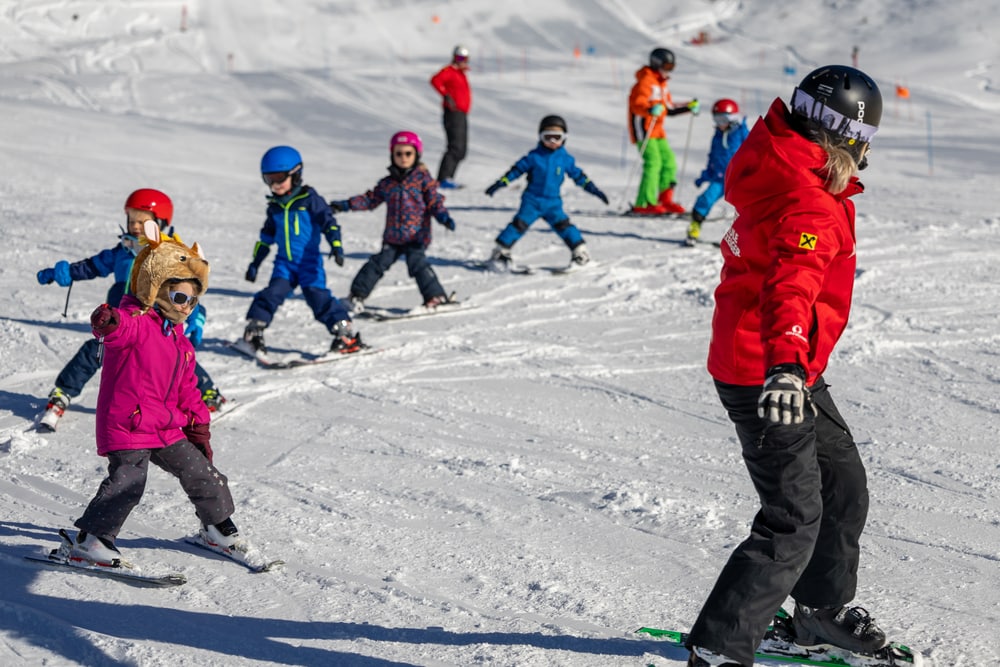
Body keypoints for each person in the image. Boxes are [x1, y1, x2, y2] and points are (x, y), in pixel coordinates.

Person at [685, 65, 887, 667]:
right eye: (865, 137)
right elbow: (790, 289)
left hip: (787, 365)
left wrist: (794, 365)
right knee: (793, 518)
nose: (868, 151)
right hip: (770, 371)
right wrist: (786, 367)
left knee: (842, 483)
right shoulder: (809, 200)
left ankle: (818, 615)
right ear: (844, 136)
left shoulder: (785, 165)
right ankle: (719, 650)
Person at [66, 223, 258, 567]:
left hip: (165, 427)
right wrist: (108, 320)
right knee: (128, 481)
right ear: (157, 290)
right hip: (129, 424)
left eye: (193, 301)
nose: (186, 306)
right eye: (180, 297)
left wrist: (199, 423)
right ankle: (92, 540)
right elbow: (118, 328)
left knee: (205, 474)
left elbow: (188, 389)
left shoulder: (181, 343)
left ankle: (216, 530)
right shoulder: (138, 322)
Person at [35, 189, 227, 433]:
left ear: (160, 223)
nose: (136, 226)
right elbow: (91, 266)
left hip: (155, 325)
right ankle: (62, 394)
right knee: (96, 350)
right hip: (122, 325)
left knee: (174, 357)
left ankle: (208, 392)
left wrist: (196, 318)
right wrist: (62, 273)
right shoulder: (121, 252)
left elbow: (188, 290)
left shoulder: (170, 256)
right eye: (132, 220)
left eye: (143, 221)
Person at [240, 145, 361, 357]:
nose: (275, 185)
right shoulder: (275, 207)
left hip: (309, 262)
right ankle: (254, 332)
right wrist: (255, 263)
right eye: (269, 179)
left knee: (317, 296)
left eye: (279, 178)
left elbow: (329, 223)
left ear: (296, 174)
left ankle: (344, 333)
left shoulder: (310, 200)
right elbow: (265, 239)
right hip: (284, 264)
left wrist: (336, 245)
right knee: (272, 293)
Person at [329, 131, 457, 311]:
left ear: (416, 155)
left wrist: (443, 216)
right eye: (399, 153)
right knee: (376, 264)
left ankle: (435, 297)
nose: (403, 158)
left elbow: (434, 201)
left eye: (408, 153)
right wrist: (346, 205)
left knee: (418, 265)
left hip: (416, 236)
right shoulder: (387, 183)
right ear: (392, 155)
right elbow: (370, 200)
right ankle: (356, 296)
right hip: (393, 237)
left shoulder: (423, 181)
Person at [483, 115, 609, 271]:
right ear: (540, 137)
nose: (553, 142)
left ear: (564, 138)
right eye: (548, 137)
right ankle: (500, 252)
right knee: (518, 225)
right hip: (532, 201)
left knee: (564, 226)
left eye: (557, 137)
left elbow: (579, 177)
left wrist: (594, 190)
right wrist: (500, 183)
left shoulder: (565, 159)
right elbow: (516, 171)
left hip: (553, 203)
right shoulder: (533, 157)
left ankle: (580, 254)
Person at [627, 47, 699, 215]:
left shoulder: (662, 84)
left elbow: (669, 108)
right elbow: (637, 105)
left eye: (672, 67)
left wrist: (688, 107)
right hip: (644, 129)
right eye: (667, 66)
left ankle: (665, 199)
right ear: (656, 64)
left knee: (669, 162)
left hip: (658, 131)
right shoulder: (645, 81)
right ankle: (644, 203)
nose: (669, 71)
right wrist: (649, 109)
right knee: (653, 163)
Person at [686, 99, 750, 245]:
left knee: (747, 208)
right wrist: (705, 176)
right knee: (704, 200)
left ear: (733, 118)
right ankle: (694, 228)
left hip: (740, 179)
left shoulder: (742, 133)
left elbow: (755, 152)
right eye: (717, 119)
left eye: (723, 119)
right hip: (720, 179)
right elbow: (713, 158)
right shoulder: (718, 136)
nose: (720, 123)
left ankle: (746, 239)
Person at [430, 45, 472, 189]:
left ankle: (448, 178)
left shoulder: (461, 74)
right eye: (460, 58)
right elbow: (435, 80)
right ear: (454, 57)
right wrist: (445, 94)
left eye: (465, 59)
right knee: (455, 147)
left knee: (461, 150)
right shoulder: (449, 71)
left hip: (461, 113)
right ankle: (443, 179)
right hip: (453, 113)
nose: (462, 61)